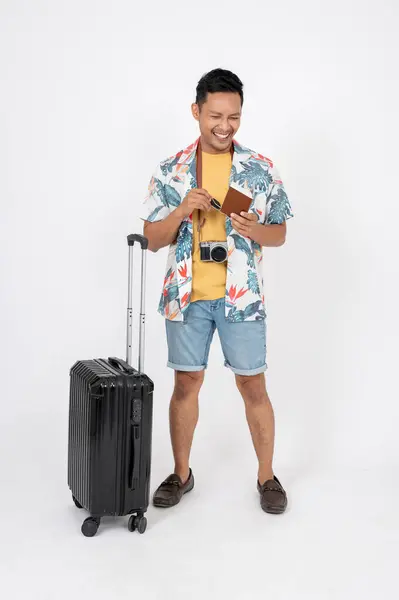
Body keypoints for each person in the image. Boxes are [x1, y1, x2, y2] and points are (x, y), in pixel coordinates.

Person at [141, 68, 293, 514]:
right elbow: (151, 238)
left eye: (234, 116)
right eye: (215, 116)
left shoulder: (259, 169)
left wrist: (255, 229)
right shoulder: (172, 171)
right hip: (187, 296)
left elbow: (280, 234)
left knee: (253, 385)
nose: (224, 126)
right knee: (186, 382)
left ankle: (267, 476)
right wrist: (182, 210)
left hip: (241, 299)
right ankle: (181, 473)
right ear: (196, 112)